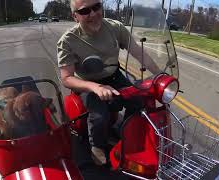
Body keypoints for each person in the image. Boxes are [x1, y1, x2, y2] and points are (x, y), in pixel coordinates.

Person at [57, 0, 160, 165]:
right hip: (86, 83)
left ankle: (128, 133)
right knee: (99, 115)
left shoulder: (115, 27)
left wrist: (160, 73)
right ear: (75, 16)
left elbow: (138, 52)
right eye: (84, 11)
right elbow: (67, 78)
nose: (93, 14)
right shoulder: (68, 41)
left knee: (139, 100)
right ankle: (96, 146)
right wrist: (95, 87)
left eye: (97, 7)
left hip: (114, 75)